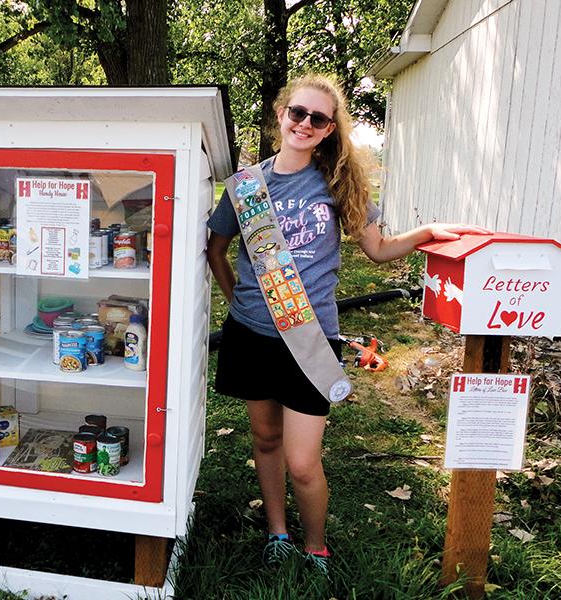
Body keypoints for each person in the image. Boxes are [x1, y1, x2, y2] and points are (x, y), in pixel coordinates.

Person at [206, 73, 487, 576]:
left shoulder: (337, 184)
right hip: (251, 335)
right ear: (280, 113)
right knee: (265, 441)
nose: (306, 123)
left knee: (302, 460)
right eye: (298, 113)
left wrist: (426, 233)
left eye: (318, 118)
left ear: (330, 129)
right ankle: (278, 533)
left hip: (311, 341)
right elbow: (216, 250)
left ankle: (316, 546)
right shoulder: (246, 186)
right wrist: (241, 301)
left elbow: (377, 250)